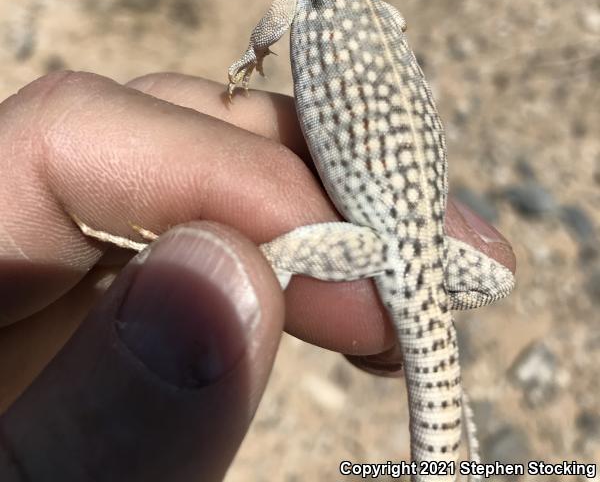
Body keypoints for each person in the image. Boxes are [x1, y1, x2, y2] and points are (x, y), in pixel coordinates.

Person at [0, 71, 515, 481]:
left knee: (277, 258)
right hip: (415, 256)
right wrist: (428, 299)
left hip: (390, 253)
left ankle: (226, 277)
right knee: (495, 279)